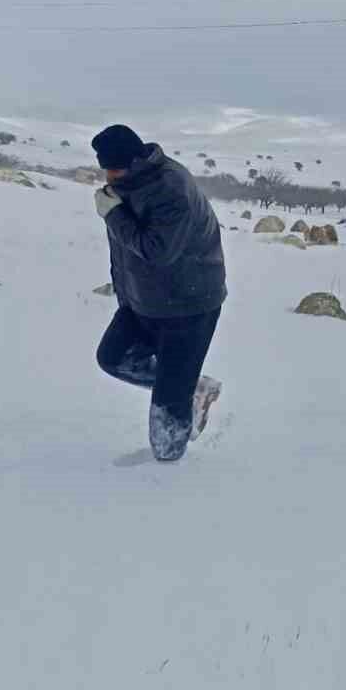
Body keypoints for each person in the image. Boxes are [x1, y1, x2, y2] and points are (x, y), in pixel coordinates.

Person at [92, 124, 225, 461]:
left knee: (165, 431)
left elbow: (157, 251)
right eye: (104, 167)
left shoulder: (170, 189)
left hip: (188, 306)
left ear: (135, 161)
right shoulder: (130, 183)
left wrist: (114, 214)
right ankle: (190, 387)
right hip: (145, 300)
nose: (108, 175)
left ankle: (168, 483)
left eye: (114, 168)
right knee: (113, 357)